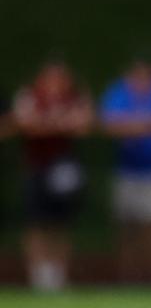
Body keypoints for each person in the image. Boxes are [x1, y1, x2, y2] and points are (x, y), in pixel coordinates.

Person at [100, 56, 151, 284]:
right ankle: (127, 277)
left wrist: (134, 126)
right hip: (126, 169)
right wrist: (146, 125)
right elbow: (109, 123)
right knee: (126, 226)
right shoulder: (119, 91)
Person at [12, 61, 93, 291]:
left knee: (61, 224)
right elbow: (26, 124)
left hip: (64, 169)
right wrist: (58, 123)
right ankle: (39, 275)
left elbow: (83, 125)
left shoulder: (74, 97)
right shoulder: (30, 96)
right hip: (37, 168)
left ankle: (58, 275)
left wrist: (51, 123)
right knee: (36, 223)